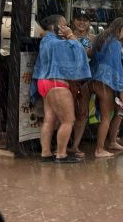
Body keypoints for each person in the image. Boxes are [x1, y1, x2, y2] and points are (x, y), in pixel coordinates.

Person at [32, 14, 91, 163]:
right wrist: (71, 36)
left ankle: (45, 153)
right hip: (57, 82)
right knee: (68, 120)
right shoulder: (59, 44)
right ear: (54, 26)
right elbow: (80, 50)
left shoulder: (46, 41)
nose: (67, 27)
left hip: (43, 81)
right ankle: (61, 154)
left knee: (49, 120)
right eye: (64, 24)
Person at [89, 17, 123, 158]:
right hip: (106, 82)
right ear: (122, 29)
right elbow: (117, 68)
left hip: (95, 79)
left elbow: (93, 58)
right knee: (106, 118)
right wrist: (122, 89)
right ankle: (99, 150)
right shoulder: (115, 44)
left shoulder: (100, 38)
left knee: (103, 116)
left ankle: (101, 147)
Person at [68, 7, 96, 158]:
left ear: (89, 22)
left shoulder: (93, 39)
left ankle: (75, 146)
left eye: (85, 20)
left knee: (82, 112)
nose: (82, 23)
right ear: (73, 21)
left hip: (85, 79)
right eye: (79, 19)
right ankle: (62, 144)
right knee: (66, 111)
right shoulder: (66, 36)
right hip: (68, 78)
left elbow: (93, 54)